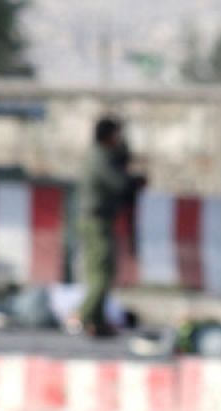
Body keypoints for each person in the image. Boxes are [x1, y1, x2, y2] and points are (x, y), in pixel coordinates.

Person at [76, 116, 146, 338]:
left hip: (99, 220)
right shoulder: (99, 158)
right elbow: (119, 184)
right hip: (95, 222)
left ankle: (95, 320)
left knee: (102, 272)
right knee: (101, 273)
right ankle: (83, 314)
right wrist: (133, 181)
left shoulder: (103, 156)